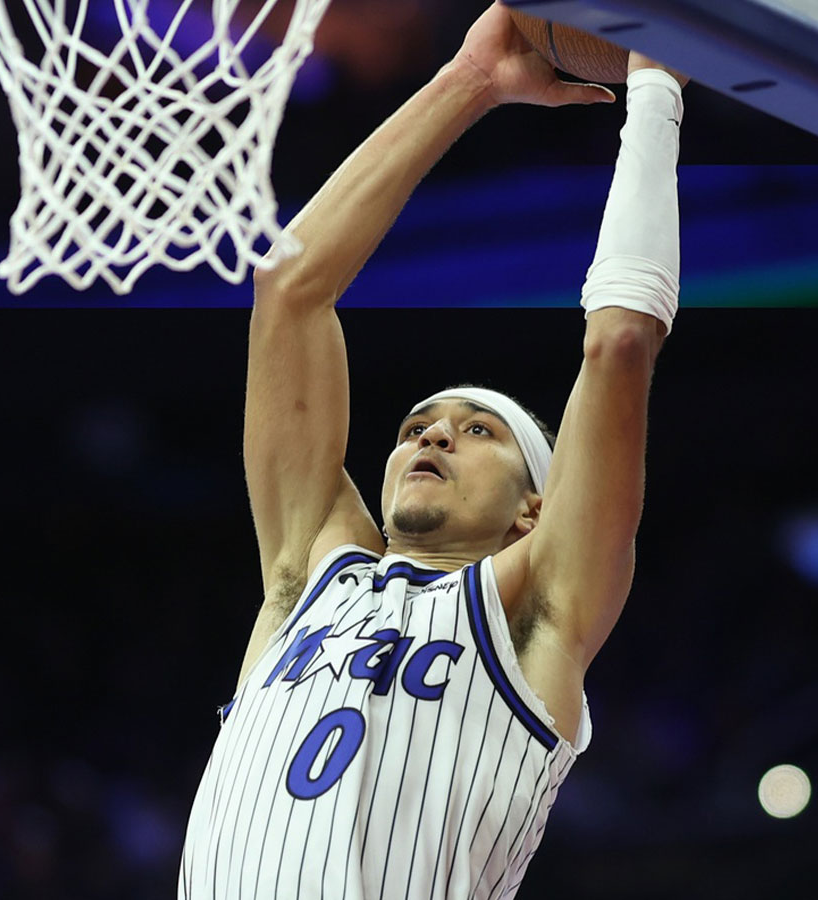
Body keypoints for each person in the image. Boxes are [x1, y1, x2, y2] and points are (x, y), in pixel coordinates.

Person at [179, 3, 687, 897]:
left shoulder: (537, 616)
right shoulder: (306, 576)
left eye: (476, 430)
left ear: (536, 507)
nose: (434, 433)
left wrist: (656, 91)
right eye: (417, 425)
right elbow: (289, 289)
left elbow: (617, 346)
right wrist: (470, 80)